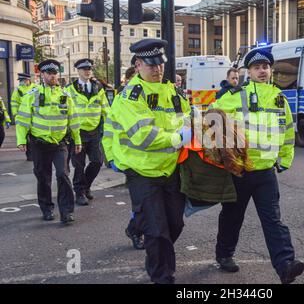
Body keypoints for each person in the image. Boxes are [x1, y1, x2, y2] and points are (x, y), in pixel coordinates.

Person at [211, 49, 304, 284]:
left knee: (273, 220)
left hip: (265, 172)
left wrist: (284, 160)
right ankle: (224, 254)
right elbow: (212, 119)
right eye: (257, 67)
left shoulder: (279, 98)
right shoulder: (235, 95)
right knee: (233, 216)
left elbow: (287, 133)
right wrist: (222, 152)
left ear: (271, 70)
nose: (262, 71)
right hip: (239, 172)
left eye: (266, 67)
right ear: (248, 72)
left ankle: (286, 266)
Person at [102, 38, 191, 284]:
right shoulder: (131, 95)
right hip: (141, 171)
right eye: (151, 65)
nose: (158, 69)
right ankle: (162, 276)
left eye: (160, 64)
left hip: (169, 170)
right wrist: (177, 137)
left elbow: (186, 118)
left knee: (175, 224)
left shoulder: (172, 91)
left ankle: (142, 233)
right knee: (157, 229)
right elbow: (143, 135)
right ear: (138, 65)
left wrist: (193, 128)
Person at [15, 59, 82, 224]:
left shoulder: (65, 96)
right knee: (43, 177)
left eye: (54, 73)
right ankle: (47, 208)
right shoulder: (33, 95)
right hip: (39, 144)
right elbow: (23, 119)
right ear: (42, 74)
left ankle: (66, 212)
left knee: (63, 175)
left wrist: (78, 140)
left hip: (60, 143)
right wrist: (21, 140)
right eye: (49, 73)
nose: (52, 76)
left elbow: (73, 119)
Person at [65, 59, 110, 206]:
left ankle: (86, 186)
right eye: (84, 69)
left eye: (89, 69)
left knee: (97, 161)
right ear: (77, 71)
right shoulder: (69, 89)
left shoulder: (98, 87)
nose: (87, 71)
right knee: (78, 165)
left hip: (94, 131)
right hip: (77, 132)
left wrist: (111, 126)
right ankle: (79, 193)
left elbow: (106, 109)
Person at [11, 73, 36, 160]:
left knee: (33, 136)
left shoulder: (35, 88)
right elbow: (14, 102)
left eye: (22, 80)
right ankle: (29, 155)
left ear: (27, 80)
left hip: (34, 116)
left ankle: (34, 154)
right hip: (22, 115)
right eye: (20, 81)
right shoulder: (18, 89)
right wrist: (15, 114)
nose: (21, 82)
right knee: (25, 136)